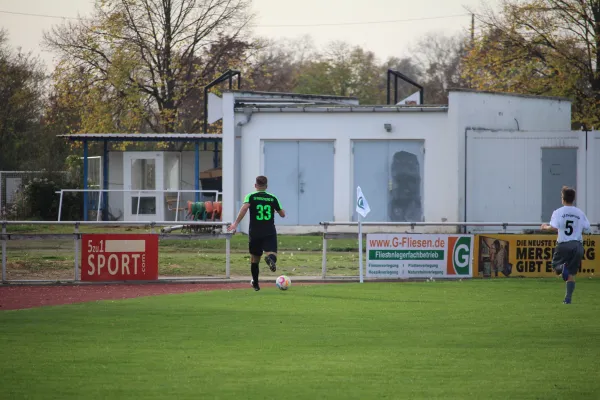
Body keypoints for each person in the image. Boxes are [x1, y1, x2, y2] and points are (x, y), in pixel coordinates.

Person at [227, 175, 285, 291]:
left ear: (255, 185)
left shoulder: (251, 196)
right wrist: (276, 210)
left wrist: (235, 223)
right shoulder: (272, 198)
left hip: (255, 231)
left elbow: (244, 209)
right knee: (272, 253)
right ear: (266, 186)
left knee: (255, 258)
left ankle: (256, 284)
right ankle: (270, 259)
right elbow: (282, 214)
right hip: (269, 231)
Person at [541, 186, 591, 304]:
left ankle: (562, 268)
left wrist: (544, 227)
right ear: (573, 199)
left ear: (563, 198)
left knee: (555, 266)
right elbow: (588, 228)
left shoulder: (558, 212)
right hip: (577, 245)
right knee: (571, 273)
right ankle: (568, 299)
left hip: (564, 244)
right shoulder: (579, 213)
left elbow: (553, 227)